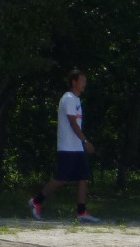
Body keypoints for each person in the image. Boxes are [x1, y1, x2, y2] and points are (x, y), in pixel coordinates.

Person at [30, 69, 100, 224]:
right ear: (74, 82)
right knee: (61, 179)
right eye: (82, 81)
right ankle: (36, 201)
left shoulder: (76, 100)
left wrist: (81, 143)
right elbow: (73, 123)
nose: (84, 84)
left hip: (77, 147)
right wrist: (85, 141)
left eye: (85, 81)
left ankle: (81, 212)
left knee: (83, 177)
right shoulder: (68, 98)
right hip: (67, 147)